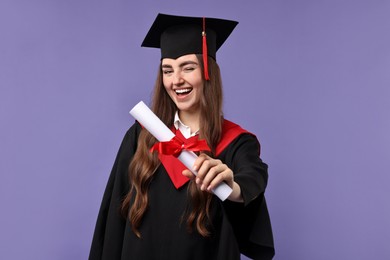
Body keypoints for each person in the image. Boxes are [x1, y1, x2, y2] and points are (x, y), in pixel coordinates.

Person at [89, 13, 275, 260]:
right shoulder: (141, 135)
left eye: (188, 68)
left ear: (208, 73)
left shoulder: (237, 142)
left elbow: (252, 178)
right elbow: (112, 219)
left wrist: (232, 188)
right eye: (168, 70)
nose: (176, 80)